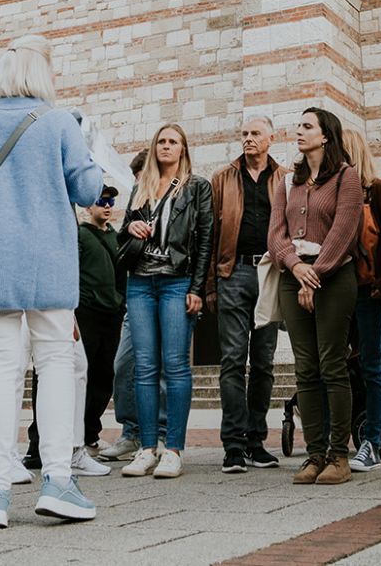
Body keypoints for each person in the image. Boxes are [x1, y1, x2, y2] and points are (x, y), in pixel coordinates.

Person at [0, 34, 103, 528]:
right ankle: (58, 479)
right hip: (44, 254)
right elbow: (87, 189)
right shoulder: (59, 121)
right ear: (43, 74)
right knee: (56, 361)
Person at [271, 108, 365, 486]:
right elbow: (275, 234)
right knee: (305, 368)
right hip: (295, 277)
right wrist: (295, 267)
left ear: (326, 135)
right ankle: (315, 454)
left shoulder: (347, 177)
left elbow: (343, 233)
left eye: (307, 126)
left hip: (334, 276)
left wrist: (315, 276)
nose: (299, 131)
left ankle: (339, 456)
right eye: (299, 125)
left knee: (332, 364)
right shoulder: (287, 182)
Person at [119, 124, 212, 479]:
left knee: (174, 366)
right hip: (140, 282)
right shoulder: (140, 186)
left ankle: (173, 448)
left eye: (173, 142)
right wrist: (130, 228)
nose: (166, 146)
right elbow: (123, 230)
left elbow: (205, 239)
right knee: (143, 367)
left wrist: (198, 288)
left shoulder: (196, 187)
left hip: (177, 281)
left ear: (184, 148)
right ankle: (146, 448)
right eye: (161, 141)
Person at [22, 186, 123, 479]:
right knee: (67, 372)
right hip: (86, 313)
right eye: (101, 201)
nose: (107, 205)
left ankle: (87, 433)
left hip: (111, 313)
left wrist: (120, 301)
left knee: (103, 375)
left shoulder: (115, 238)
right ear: (87, 206)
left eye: (111, 201)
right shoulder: (79, 234)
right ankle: (39, 444)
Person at [205, 117, 286, 473]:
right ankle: (234, 445)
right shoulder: (223, 179)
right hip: (233, 272)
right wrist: (209, 285)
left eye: (255, 134)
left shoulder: (285, 178)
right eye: (244, 134)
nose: (248, 139)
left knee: (264, 362)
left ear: (272, 138)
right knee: (233, 360)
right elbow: (209, 233)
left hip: (270, 272)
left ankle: (257, 442)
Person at [99, 150, 161, 462]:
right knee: (123, 364)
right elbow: (122, 242)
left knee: (160, 368)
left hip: (166, 290)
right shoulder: (136, 202)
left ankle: (159, 435)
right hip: (136, 293)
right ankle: (131, 432)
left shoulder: (177, 199)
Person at [341, 130, 381, 472]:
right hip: (336, 292)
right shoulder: (330, 193)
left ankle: (372, 443)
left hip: (368, 291)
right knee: (332, 365)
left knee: (372, 364)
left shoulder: (375, 190)